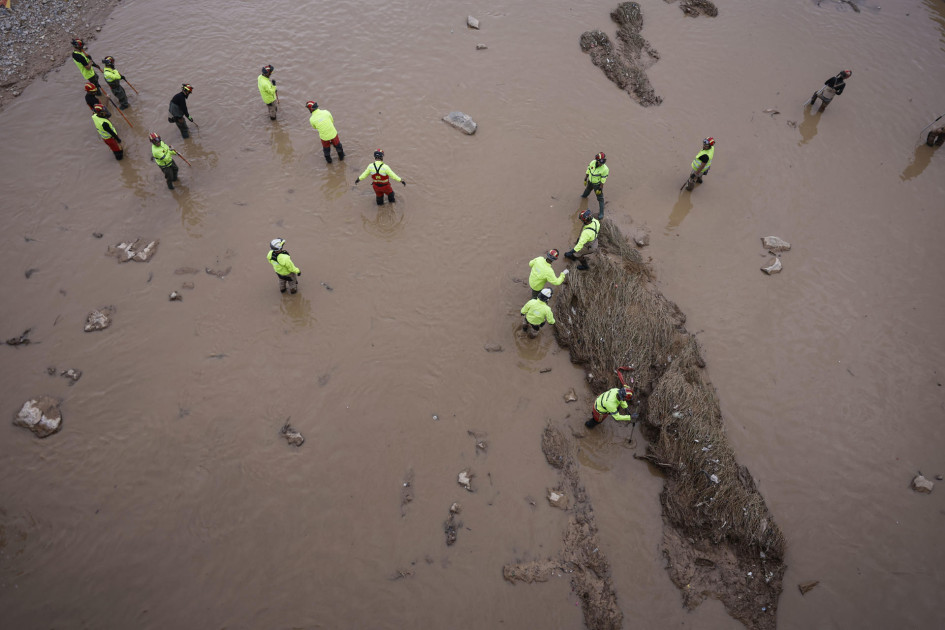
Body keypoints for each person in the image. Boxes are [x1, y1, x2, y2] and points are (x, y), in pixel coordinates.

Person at [581, 152, 609, 220]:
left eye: (603, 161)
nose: (602, 163)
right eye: (600, 161)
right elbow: (588, 170)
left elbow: (603, 178)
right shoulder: (592, 162)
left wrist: (600, 188)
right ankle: (583, 197)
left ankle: (601, 213)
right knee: (587, 190)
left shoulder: (605, 169)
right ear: (597, 160)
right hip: (590, 181)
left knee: (600, 198)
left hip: (597, 185)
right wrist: (585, 178)